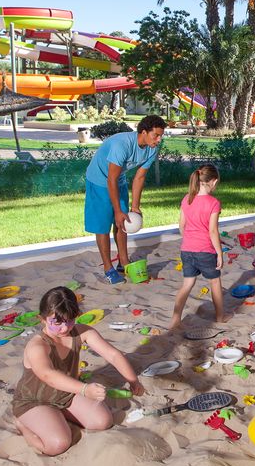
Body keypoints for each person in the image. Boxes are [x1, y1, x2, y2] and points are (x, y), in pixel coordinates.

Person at [13, 286, 145, 456]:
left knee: (103, 421)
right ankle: (22, 425)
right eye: (57, 322)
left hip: (66, 393)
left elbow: (113, 355)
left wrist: (133, 380)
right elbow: (48, 375)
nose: (64, 328)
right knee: (59, 443)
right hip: (35, 401)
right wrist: (84, 389)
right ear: (42, 319)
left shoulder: (82, 332)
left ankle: (58, 416)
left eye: (70, 320)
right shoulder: (38, 345)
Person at [84, 115, 166, 283]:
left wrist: (135, 207)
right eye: (156, 135)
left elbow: (139, 178)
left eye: (161, 136)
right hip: (99, 180)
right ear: (144, 132)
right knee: (103, 226)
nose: (159, 139)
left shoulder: (152, 149)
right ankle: (108, 268)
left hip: (118, 180)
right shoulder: (121, 145)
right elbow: (110, 179)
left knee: (123, 222)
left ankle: (124, 262)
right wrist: (117, 210)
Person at [170, 164, 226, 330]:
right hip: (205, 251)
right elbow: (213, 231)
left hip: (187, 250)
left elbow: (181, 226)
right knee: (215, 282)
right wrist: (219, 253)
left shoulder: (187, 198)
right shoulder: (214, 203)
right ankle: (220, 317)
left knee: (187, 284)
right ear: (213, 182)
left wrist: (189, 239)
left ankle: (175, 319)